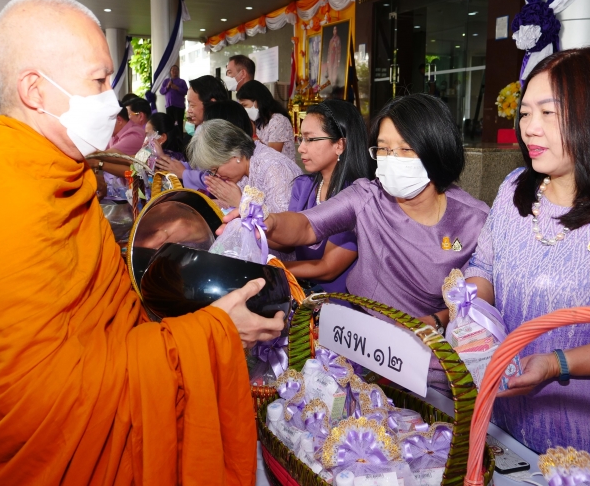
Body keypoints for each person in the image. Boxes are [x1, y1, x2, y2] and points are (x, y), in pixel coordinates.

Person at [0, 0, 283, 485]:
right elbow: (39, 397)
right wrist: (213, 332)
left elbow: (102, 311)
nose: (111, 100)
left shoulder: (62, 175)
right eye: (98, 81)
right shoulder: (0, 203)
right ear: (35, 89)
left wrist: (200, 255)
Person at [465, 46, 590, 486]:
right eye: (525, 112)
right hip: (506, 416)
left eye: (549, 113)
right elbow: (483, 267)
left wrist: (556, 363)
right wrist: (466, 311)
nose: (529, 128)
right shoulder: (516, 187)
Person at [248, 94, 488, 377]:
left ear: (436, 149)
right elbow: (305, 226)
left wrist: (436, 321)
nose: (391, 160)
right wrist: (268, 222)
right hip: (360, 342)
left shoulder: (474, 218)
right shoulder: (366, 196)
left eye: (405, 149)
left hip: (429, 353)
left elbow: (479, 295)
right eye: (383, 149)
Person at [285, 100, 374, 293]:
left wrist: (275, 270)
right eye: (301, 139)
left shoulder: (357, 197)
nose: (301, 148)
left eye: (310, 139)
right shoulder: (304, 186)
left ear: (339, 145)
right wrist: (253, 223)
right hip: (303, 294)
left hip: (340, 305)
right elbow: (287, 239)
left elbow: (328, 268)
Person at [188, 119, 302, 259]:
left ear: (234, 155)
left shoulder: (273, 168)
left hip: (283, 265)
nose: (216, 176)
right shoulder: (244, 168)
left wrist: (240, 204)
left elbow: (286, 240)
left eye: (215, 169)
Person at [155, 75, 228, 190]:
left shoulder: (223, 133)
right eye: (188, 104)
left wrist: (184, 173)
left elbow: (215, 179)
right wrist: (168, 162)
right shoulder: (201, 128)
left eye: (192, 105)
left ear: (211, 104)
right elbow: (197, 168)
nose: (188, 110)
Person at [237, 80, 296, 161]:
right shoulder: (258, 122)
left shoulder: (278, 121)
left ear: (257, 101)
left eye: (245, 105)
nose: (243, 110)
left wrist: (254, 135)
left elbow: (272, 155)